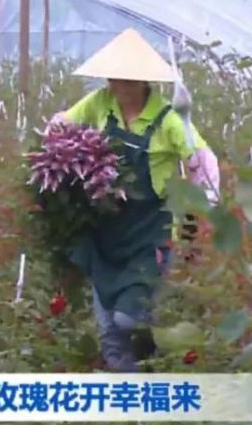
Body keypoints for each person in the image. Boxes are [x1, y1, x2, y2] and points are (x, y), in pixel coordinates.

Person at [50, 28, 220, 372]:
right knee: (108, 325)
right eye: (114, 78)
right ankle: (127, 401)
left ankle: (148, 351)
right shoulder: (100, 103)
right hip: (105, 227)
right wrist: (61, 161)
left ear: (144, 82)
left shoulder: (167, 119)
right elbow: (61, 127)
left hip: (148, 233)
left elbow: (201, 159)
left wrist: (203, 207)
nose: (119, 85)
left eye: (127, 79)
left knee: (129, 319)